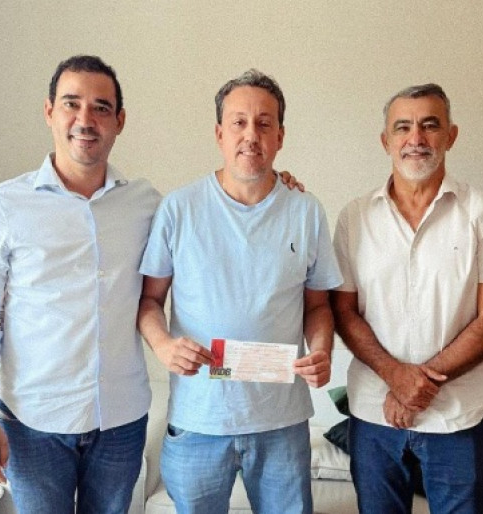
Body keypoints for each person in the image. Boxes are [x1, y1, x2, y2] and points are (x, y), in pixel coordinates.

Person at [0, 55, 161, 514]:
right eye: (72, 103)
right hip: (32, 423)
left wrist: (273, 186)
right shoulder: (4, 205)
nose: (85, 119)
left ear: (120, 121)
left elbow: (202, 241)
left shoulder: (146, 204)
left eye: (101, 108)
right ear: (49, 112)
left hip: (121, 420)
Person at [138, 69, 343, 514]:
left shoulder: (306, 211)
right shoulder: (179, 208)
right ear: (219, 133)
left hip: (281, 422)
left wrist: (322, 350)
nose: (252, 135)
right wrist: (163, 345)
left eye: (264, 123)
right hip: (198, 420)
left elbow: (318, 306)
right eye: (239, 122)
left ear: (280, 136)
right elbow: (149, 300)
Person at [331, 83, 483, 514]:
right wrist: (394, 376)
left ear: (450, 135)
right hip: (374, 419)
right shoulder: (354, 217)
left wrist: (415, 385)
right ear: (385, 141)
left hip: (459, 420)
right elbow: (343, 311)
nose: (415, 138)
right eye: (402, 127)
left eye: (429, 125)